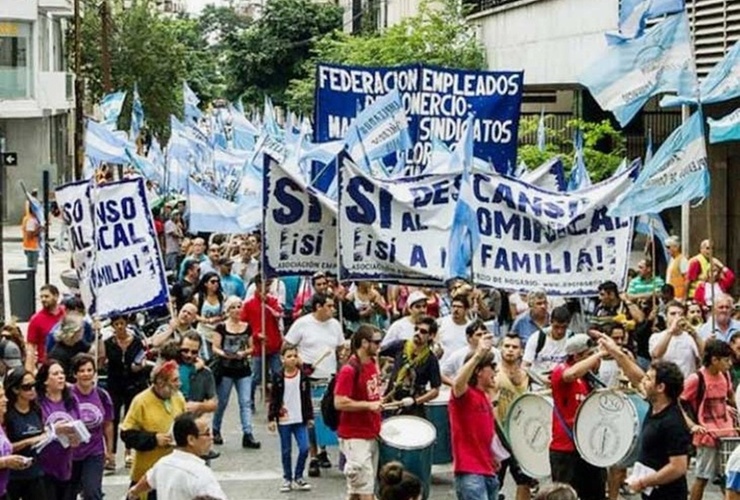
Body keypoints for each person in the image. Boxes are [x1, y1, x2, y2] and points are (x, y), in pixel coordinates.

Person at [598, 337, 691, 500]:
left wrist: (643, 482)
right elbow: (635, 376)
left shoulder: (672, 422)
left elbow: (678, 467)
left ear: (661, 388)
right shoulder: (655, 404)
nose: (644, 381)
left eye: (649, 379)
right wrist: (615, 352)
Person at [285, 292, 344, 476]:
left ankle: (323, 450)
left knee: (327, 417)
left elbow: (340, 347)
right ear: (318, 307)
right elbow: (286, 346)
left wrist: (341, 360)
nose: (333, 309)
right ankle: (313, 457)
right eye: (329, 306)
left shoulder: (335, 325)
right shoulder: (302, 324)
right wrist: (300, 362)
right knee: (310, 419)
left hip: (330, 378)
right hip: (309, 379)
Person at [549, 334, 606, 500]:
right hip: (565, 450)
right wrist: (599, 354)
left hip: (589, 449)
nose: (595, 360)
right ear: (577, 356)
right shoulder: (561, 370)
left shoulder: (589, 379)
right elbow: (570, 375)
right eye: (589, 355)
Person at [120, 360, 186, 498]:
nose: (179, 384)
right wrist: (154, 439)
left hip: (173, 472)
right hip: (146, 474)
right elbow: (126, 434)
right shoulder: (141, 401)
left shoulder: (178, 397)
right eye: (175, 380)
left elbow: (185, 424)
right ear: (161, 382)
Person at [125, 412, 227, 500]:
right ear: (191, 439)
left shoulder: (163, 463)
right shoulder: (201, 474)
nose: (212, 437)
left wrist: (133, 493)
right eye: (207, 433)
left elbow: (148, 480)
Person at [680, 339, 735, 500]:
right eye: (726, 360)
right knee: (702, 477)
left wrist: (732, 409)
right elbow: (679, 403)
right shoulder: (696, 378)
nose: (729, 364)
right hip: (707, 435)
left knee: (729, 477)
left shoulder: (725, 375)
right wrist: (692, 425)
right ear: (714, 360)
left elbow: (729, 396)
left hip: (727, 433)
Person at [334, 325, 383, 500]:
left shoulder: (372, 363)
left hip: (371, 432)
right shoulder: (349, 370)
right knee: (365, 491)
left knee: (356, 491)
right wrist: (368, 406)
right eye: (376, 342)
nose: (379, 346)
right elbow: (339, 402)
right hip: (355, 437)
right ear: (364, 343)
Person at [449, 331, 499, 500]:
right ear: (478, 371)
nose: (495, 370)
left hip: (488, 471)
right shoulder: (464, 395)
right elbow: (457, 383)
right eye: (491, 366)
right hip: (470, 473)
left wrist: (492, 456)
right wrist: (478, 354)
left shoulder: (483, 396)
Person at [100, 314, 149, 471]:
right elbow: (101, 360)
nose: (119, 327)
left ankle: (128, 451)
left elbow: (142, 358)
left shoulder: (136, 342)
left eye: (122, 323)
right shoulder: (108, 343)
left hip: (133, 384)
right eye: (116, 324)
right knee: (112, 419)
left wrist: (139, 366)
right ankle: (111, 453)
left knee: (130, 418)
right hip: (114, 384)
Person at [212, 296, 260, 449]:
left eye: (239, 306)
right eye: (233, 307)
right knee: (222, 402)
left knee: (245, 402)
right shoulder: (221, 327)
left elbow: (252, 347)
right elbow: (215, 346)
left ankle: (248, 433)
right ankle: (216, 429)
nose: (237, 310)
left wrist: (244, 353)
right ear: (228, 310)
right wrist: (224, 353)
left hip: (243, 368)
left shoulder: (247, 326)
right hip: (226, 369)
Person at [268, 344, 313, 493]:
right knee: (286, 450)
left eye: (295, 356)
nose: (292, 359)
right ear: (282, 359)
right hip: (284, 419)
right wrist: (271, 418)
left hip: (300, 418)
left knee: (304, 447)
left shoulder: (303, 376)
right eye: (289, 356)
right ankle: (287, 477)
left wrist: (309, 416)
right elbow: (274, 398)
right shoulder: (278, 377)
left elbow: (307, 398)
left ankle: (298, 475)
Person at [36, 360, 82, 499]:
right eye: (55, 374)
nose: (61, 376)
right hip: (43, 465)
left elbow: (78, 425)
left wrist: (76, 437)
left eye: (62, 373)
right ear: (45, 380)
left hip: (67, 462)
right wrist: (54, 429)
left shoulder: (72, 400)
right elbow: (35, 432)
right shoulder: (38, 403)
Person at [69, 354, 113, 500]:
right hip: (70, 453)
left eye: (89, 370)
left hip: (94, 451)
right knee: (68, 493)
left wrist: (109, 451)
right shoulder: (67, 395)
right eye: (81, 371)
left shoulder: (102, 395)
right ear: (75, 374)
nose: (86, 374)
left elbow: (108, 423)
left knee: (92, 492)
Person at [495, 333, 533, 500]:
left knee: (524, 480)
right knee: (495, 481)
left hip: (520, 435)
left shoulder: (527, 375)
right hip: (498, 435)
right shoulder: (493, 372)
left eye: (514, 347)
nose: (510, 350)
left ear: (521, 352)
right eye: (507, 346)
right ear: (500, 349)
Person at [380, 316, 441, 417]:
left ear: (431, 336)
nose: (417, 333)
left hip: (413, 409)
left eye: (423, 331)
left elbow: (435, 390)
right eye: (416, 329)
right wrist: (379, 373)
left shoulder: (431, 359)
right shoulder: (400, 345)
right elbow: (378, 353)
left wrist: (415, 401)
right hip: (390, 402)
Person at [241, 274, 284, 414]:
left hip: (274, 345)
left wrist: (269, 305)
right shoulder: (248, 305)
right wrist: (256, 335)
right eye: (266, 284)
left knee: (278, 374)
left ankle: (278, 402)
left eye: (270, 284)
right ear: (258, 285)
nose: (268, 287)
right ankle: (250, 401)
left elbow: (279, 314)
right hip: (258, 347)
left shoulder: (273, 301)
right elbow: (243, 326)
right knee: (256, 377)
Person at [4, 370, 47, 499]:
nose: (32, 390)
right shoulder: (8, 415)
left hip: (35, 472)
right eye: (27, 387)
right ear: (16, 390)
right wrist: (29, 441)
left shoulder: (36, 409)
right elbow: (6, 447)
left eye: (34, 385)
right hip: (13, 476)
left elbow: (41, 433)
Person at [649, 300, 703, 379]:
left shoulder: (690, 337)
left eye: (680, 314)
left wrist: (695, 335)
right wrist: (671, 331)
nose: (677, 317)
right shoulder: (656, 337)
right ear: (665, 317)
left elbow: (704, 356)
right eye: (673, 314)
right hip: (666, 385)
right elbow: (656, 355)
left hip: (687, 383)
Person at [441, 320, 501, 385]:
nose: (483, 337)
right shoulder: (459, 355)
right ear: (469, 338)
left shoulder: (496, 353)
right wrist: (456, 385)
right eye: (479, 335)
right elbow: (441, 374)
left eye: (485, 333)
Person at [522, 305, 572, 377]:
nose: (560, 331)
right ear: (550, 322)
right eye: (556, 327)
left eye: (564, 327)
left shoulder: (571, 339)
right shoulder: (537, 338)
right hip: (539, 380)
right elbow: (525, 366)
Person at [26, 285, 65, 371]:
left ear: (56, 296)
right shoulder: (36, 319)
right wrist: (29, 371)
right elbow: (31, 347)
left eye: (46, 296)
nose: (43, 299)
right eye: (41, 297)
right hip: (46, 365)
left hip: (67, 362)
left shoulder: (66, 314)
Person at [192, 272, 225, 360]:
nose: (216, 284)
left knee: (217, 357)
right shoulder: (198, 297)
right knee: (205, 357)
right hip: (203, 331)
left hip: (217, 331)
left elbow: (226, 313)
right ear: (206, 283)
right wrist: (205, 320)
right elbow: (194, 314)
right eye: (213, 282)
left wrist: (218, 318)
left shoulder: (221, 296)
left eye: (217, 282)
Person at [47, 314, 91, 378]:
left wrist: (98, 336)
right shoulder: (57, 354)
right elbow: (60, 379)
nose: (83, 331)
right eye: (81, 329)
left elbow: (98, 354)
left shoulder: (79, 343)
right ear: (73, 333)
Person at [436, 295, 471, 365]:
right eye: (454, 306)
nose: (456, 310)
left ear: (466, 310)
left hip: (462, 367)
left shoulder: (471, 327)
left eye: (459, 307)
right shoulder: (441, 323)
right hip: (443, 366)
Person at [664, 236, 689, 303]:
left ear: (676, 247)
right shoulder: (672, 259)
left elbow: (687, 279)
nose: (666, 250)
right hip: (671, 295)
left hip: (679, 296)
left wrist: (684, 297)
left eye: (668, 247)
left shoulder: (682, 260)